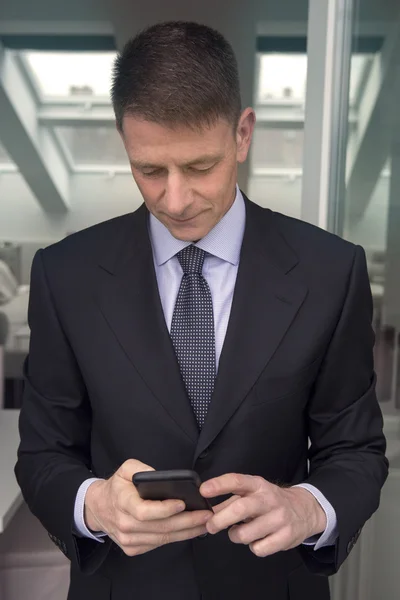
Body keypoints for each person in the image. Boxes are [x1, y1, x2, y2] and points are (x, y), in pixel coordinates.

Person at [15, 21, 388, 600]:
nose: (175, 200)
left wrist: (309, 507)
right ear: (124, 141)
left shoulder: (330, 272)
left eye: (199, 167)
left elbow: (355, 450)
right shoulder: (65, 274)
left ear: (243, 134)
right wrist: (93, 505)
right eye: (150, 170)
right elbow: (43, 452)